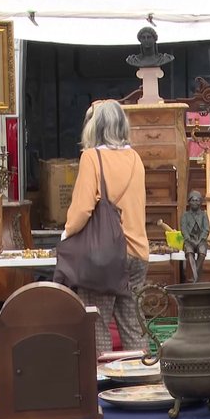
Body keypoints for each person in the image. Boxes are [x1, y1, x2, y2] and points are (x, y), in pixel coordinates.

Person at [64, 100, 148, 354]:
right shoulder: (135, 158)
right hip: (137, 255)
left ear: (94, 127)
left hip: (104, 257)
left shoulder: (92, 158)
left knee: (97, 322)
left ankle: (100, 385)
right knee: (133, 324)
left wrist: (67, 233)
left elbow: (81, 210)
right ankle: (141, 382)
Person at [181, 190, 210, 283]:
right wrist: (189, 239)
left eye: (197, 200)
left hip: (201, 240)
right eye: (193, 200)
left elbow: (206, 229)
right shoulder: (185, 215)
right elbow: (183, 229)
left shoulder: (203, 215)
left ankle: (195, 276)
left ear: (200, 202)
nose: (195, 202)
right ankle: (196, 277)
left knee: (202, 252)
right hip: (189, 240)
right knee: (189, 252)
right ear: (189, 202)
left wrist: (201, 239)